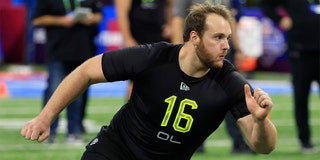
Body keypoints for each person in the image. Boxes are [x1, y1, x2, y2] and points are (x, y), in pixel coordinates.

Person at [21, 2, 277, 159]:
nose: (226, 46)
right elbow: (86, 71)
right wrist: (45, 117)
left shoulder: (229, 81)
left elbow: (262, 146)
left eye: (228, 38)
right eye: (218, 37)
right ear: (194, 37)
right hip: (115, 152)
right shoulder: (154, 57)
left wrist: (261, 120)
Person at [171, 0, 252, 154]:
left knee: (230, 94)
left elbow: (229, 21)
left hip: (221, 53)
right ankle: (192, 143)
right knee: (193, 98)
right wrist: (177, 53)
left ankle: (238, 141)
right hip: (196, 53)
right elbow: (177, 19)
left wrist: (238, 48)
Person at [32, 0, 103, 143]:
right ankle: (48, 131)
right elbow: (37, 19)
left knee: (77, 92)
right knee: (54, 88)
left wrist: (90, 19)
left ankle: (74, 132)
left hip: (82, 49)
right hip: (57, 50)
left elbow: (99, 15)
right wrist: (62, 21)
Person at [259, 0, 319, 154]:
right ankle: (305, 141)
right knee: (301, 99)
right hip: (300, 51)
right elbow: (265, 4)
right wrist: (279, 19)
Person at [114, 0, 172, 100]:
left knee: (161, 78)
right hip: (138, 38)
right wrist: (127, 38)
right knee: (135, 79)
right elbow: (121, 13)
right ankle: (131, 113)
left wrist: (170, 25)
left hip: (160, 38)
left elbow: (170, 4)